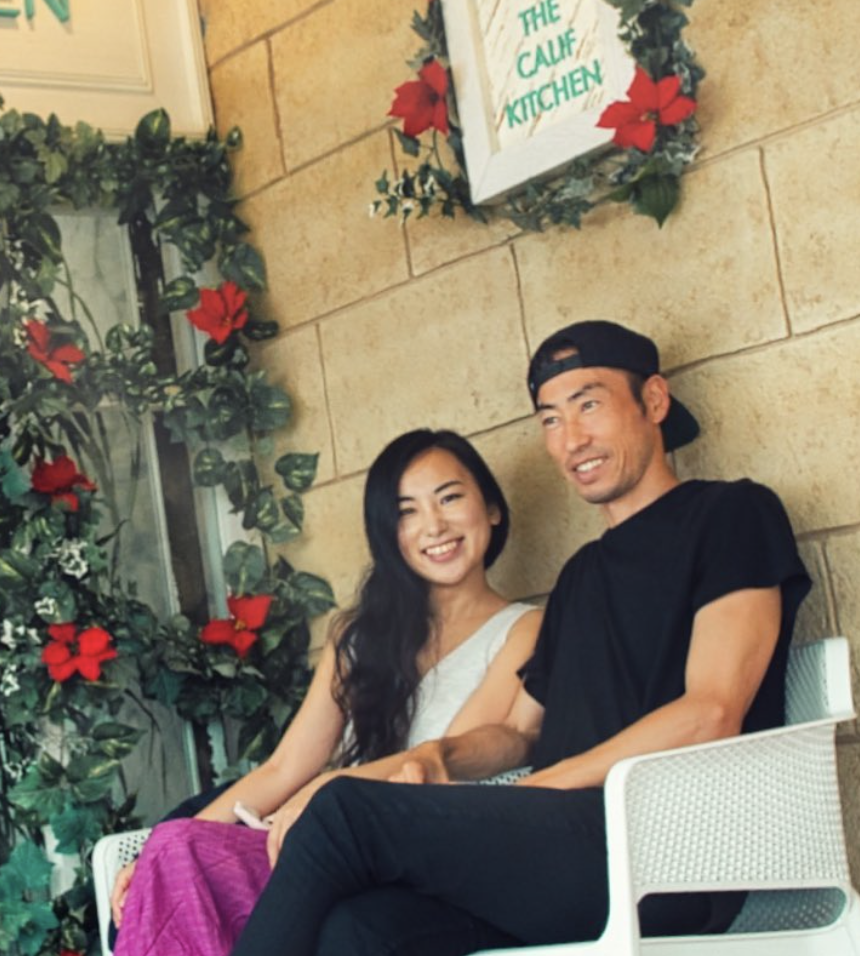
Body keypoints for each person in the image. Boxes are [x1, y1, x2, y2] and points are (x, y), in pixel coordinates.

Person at [230, 319, 812, 956]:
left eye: (589, 405)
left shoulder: (731, 514)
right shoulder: (581, 576)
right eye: (551, 419)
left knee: (342, 811)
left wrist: (539, 790)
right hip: (560, 854)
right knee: (359, 931)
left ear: (653, 401)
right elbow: (519, 732)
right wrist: (441, 758)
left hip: (670, 850)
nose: (572, 439)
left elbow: (712, 711)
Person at [111, 428, 542, 956]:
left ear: (492, 508)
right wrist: (156, 857)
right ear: (388, 533)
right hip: (319, 849)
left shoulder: (525, 629)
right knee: (173, 849)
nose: (434, 526)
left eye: (449, 498)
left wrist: (332, 790)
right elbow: (284, 767)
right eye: (407, 512)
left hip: (420, 856)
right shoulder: (360, 637)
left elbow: (440, 763)